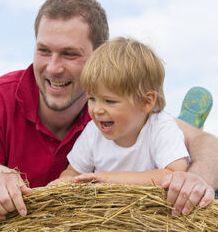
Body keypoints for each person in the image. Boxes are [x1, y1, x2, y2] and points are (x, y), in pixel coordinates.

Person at [0, 0, 218, 220]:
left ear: (99, 56)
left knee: (184, 141)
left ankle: (189, 118)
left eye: (70, 54)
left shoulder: (117, 100)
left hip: (132, 216)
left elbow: (208, 145)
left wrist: (196, 180)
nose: (54, 68)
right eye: (44, 50)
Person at [49, 37, 189, 187]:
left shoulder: (160, 127)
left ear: (146, 102)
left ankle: (189, 120)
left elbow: (174, 174)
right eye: (92, 98)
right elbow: (73, 172)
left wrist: (109, 179)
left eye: (110, 101)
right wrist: (61, 184)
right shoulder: (93, 133)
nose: (97, 110)